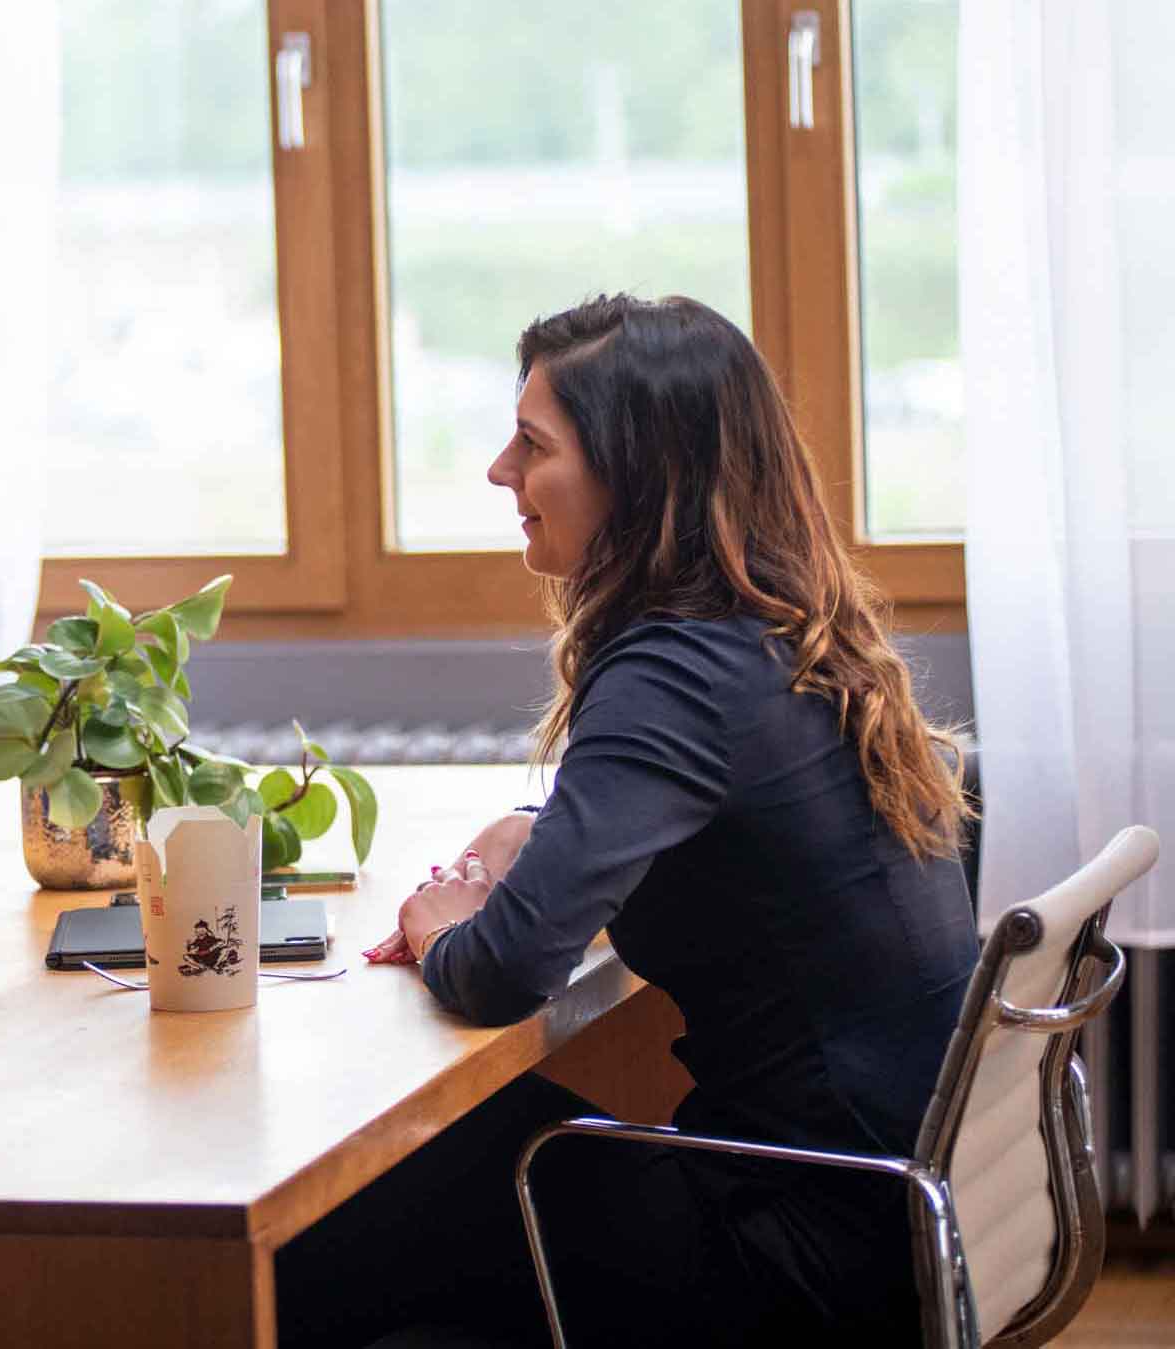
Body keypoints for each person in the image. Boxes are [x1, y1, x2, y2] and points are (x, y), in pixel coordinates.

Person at [278, 295, 978, 1345]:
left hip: (799, 1250)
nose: (499, 472)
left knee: (348, 1207)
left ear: (637, 474)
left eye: (532, 444)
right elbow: (699, 815)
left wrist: (434, 916)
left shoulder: (674, 668)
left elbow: (501, 971)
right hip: (888, 1210)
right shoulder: (769, 631)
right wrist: (540, 823)